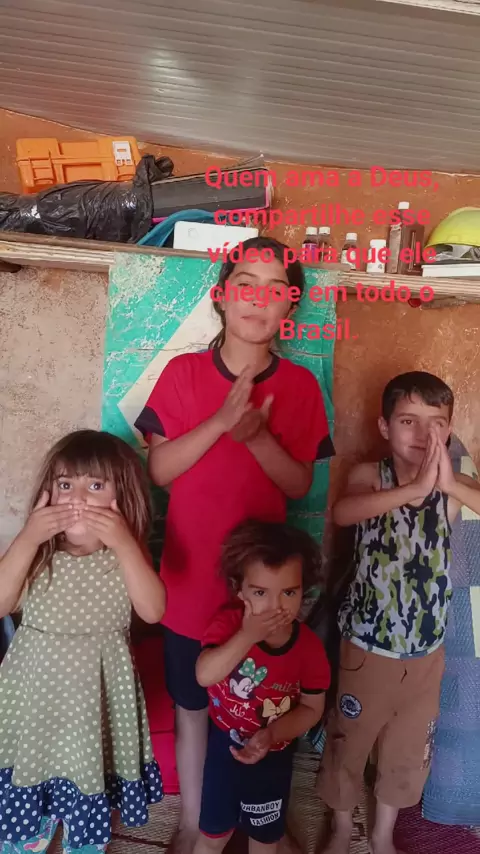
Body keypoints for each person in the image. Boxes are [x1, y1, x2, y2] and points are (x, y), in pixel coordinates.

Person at [134, 236, 335, 854]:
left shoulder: (299, 386)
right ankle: (196, 821)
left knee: (261, 709)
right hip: (191, 588)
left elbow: (299, 483)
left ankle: (258, 822)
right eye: (245, 284)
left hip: (263, 594)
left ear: (290, 307)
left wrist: (257, 438)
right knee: (194, 708)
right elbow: (158, 470)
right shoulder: (184, 374)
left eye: (275, 290)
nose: (258, 299)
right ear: (222, 296)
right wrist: (222, 422)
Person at [317, 371, 480, 854]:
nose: (424, 434)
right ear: (385, 427)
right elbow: (344, 512)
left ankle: (382, 834)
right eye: (409, 421)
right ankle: (342, 826)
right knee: (349, 741)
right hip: (367, 649)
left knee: (408, 750)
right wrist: (414, 491)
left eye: (437, 423)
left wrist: (446, 483)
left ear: (448, 431)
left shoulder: (454, 485)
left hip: (427, 654)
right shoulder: (371, 475)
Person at [0, 430, 166, 853]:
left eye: (95, 486)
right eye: (65, 484)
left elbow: (153, 610)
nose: (77, 498)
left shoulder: (126, 556)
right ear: (47, 493)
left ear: (122, 496)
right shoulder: (37, 553)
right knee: (27, 795)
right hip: (36, 702)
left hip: (96, 702)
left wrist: (124, 541)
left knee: (87, 785)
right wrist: (29, 536)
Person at [194, 520, 331, 854]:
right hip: (224, 746)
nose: (275, 606)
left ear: (303, 590)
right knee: (212, 835)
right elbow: (205, 675)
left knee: (266, 838)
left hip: (274, 752)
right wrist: (247, 636)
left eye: (289, 592)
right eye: (260, 593)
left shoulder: (309, 649)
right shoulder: (228, 624)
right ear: (239, 590)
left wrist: (272, 734)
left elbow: (312, 708)